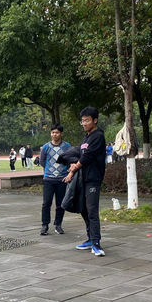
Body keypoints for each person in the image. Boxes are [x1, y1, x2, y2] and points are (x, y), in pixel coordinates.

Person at [65, 107, 106, 256]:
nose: (84, 123)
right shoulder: (86, 137)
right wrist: (72, 164)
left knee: (92, 210)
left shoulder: (98, 136)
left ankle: (96, 243)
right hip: (83, 179)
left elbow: (87, 156)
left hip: (93, 179)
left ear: (95, 120)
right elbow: (80, 155)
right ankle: (90, 238)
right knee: (83, 209)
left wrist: (73, 169)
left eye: (87, 120)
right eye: (82, 121)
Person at [40, 125, 71, 235]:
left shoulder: (67, 146)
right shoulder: (46, 147)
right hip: (48, 179)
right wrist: (49, 171)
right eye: (53, 132)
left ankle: (58, 224)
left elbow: (70, 160)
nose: (54, 134)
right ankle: (45, 225)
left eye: (57, 132)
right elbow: (42, 161)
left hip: (62, 179)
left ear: (61, 134)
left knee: (60, 204)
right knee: (46, 203)